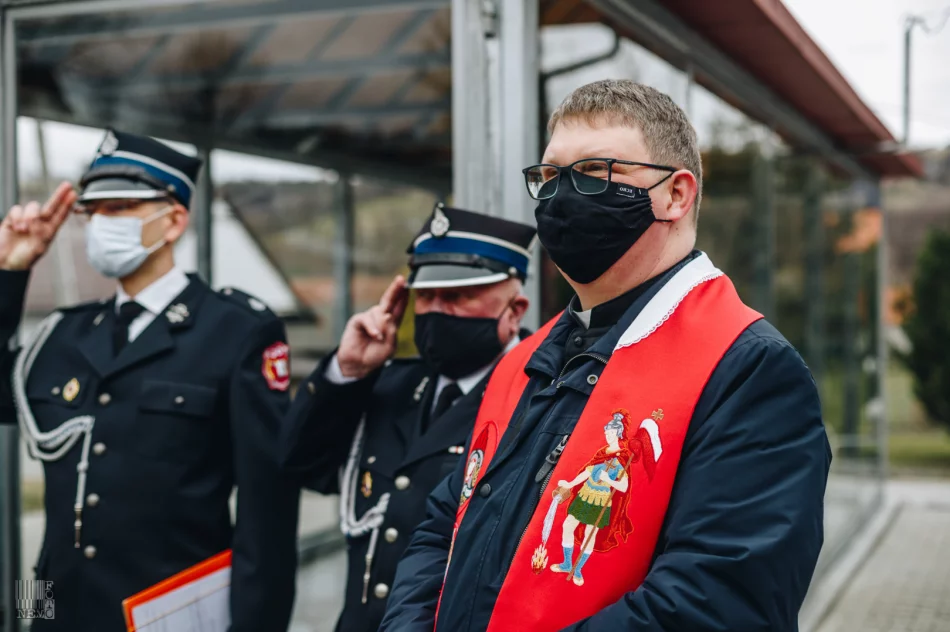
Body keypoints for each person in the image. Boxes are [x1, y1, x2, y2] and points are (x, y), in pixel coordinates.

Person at [381, 80, 831, 632]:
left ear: (676, 194)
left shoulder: (747, 368)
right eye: (549, 177)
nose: (562, 196)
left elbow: (714, 603)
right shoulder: (524, 359)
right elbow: (443, 524)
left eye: (595, 171)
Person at [0, 129, 300, 632]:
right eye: (93, 211)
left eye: (120, 208)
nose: (101, 224)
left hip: (171, 616)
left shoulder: (236, 330)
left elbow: (266, 513)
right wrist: (10, 270)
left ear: (174, 219)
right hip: (53, 608)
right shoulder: (65, 332)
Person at [279, 203, 536, 632]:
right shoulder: (389, 385)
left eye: (457, 297)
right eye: (427, 296)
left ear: (514, 310)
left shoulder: (536, 399)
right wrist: (348, 371)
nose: (436, 310)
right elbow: (302, 467)